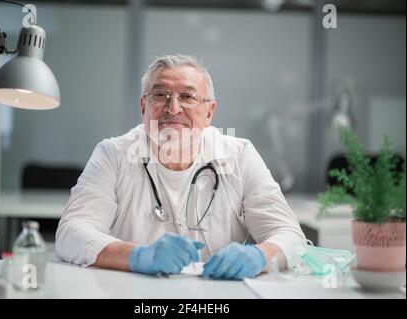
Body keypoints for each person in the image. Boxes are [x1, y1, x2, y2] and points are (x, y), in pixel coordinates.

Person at [55, 54, 306, 280]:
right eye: (160, 95)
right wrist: (137, 256)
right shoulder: (113, 154)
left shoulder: (239, 156)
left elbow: (291, 236)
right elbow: (71, 234)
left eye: (187, 97)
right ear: (143, 107)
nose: (173, 108)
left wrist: (260, 256)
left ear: (209, 112)